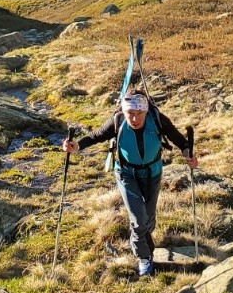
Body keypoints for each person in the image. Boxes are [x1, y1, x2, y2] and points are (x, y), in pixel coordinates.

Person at [62, 90, 197, 278]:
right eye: (130, 113)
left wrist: (189, 156)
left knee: (148, 219)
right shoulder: (117, 121)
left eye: (139, 113)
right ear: (124, 112)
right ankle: (144, 257)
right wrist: (75, 146)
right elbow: (96, 136)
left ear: (146, 111)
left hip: (152, 173)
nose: (134, 118)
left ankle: (145, 235)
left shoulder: (157, 119)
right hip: (127, 174)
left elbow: (180, 141)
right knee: (138, 219)